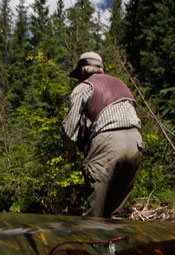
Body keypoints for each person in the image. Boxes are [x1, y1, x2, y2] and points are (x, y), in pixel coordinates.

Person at [62, 52, 144, 218]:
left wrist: (71, 150)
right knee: (114, 216)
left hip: (108, 142)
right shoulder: (121, 84)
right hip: (136, 143)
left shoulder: (84, 87)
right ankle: (114, 243)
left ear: (83, 70)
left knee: (94, 215)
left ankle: (92, 241)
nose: (79, 79)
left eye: (78, 75)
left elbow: (69, 128)